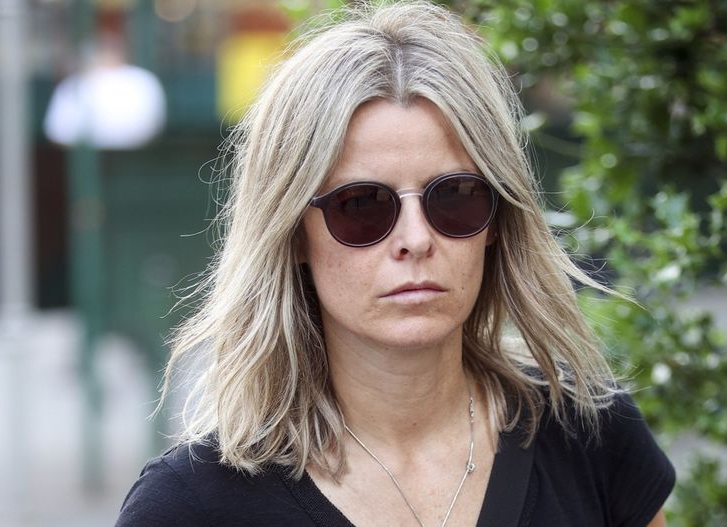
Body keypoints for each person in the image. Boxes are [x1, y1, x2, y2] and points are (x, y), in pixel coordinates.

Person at [116, 1, 675, 526]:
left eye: (455, 197)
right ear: (293, 235)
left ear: (497, 221)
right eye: (361, 205)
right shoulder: (193, 505)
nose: (415, 239)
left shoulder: (591, 435)